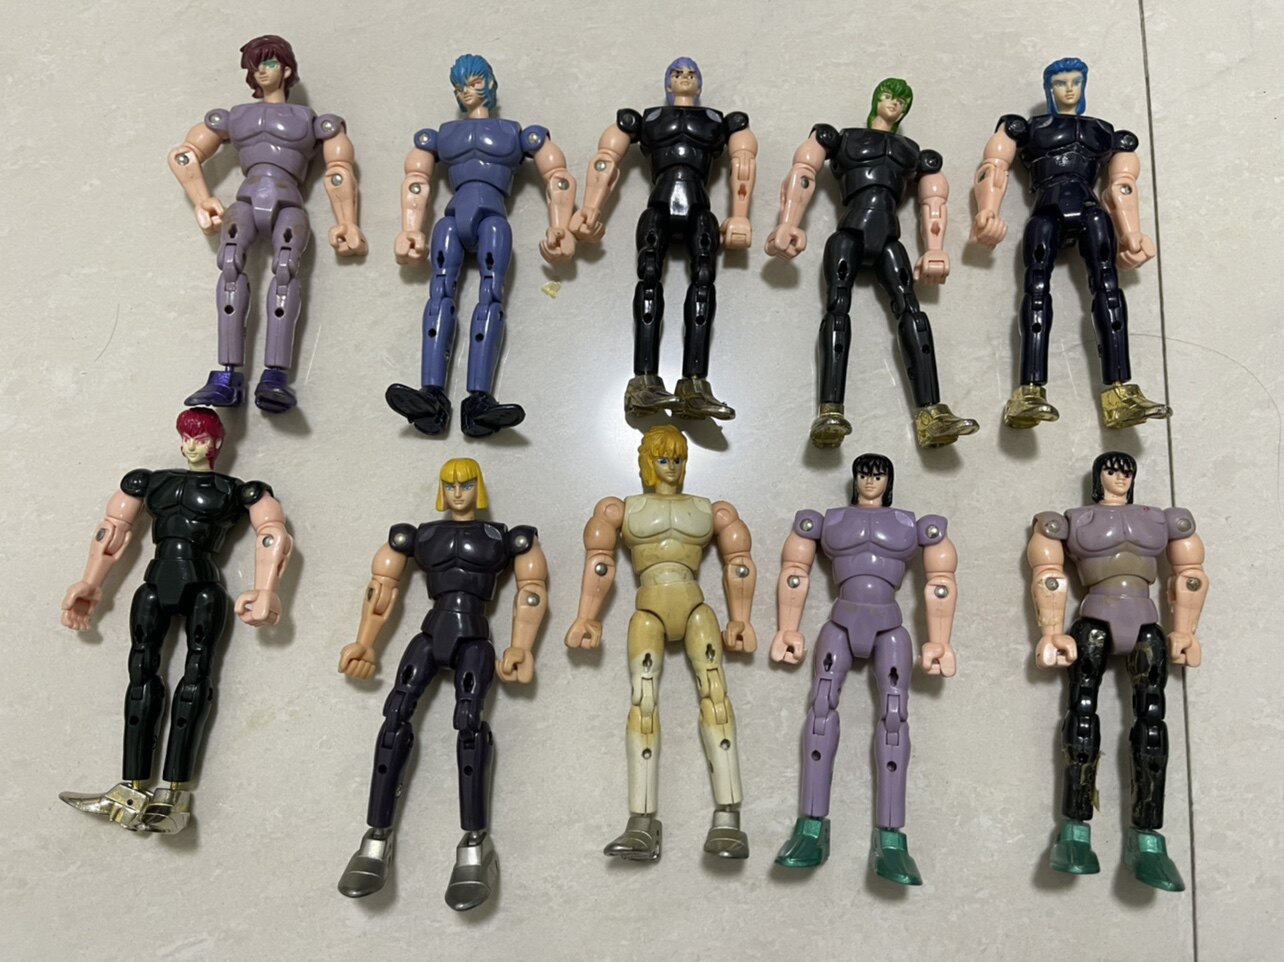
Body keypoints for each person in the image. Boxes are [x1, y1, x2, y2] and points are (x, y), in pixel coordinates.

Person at [59, 408, 293, 834]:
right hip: (154, 582)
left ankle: (174, 796)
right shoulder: (151, 482)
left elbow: (271, 533)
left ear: (216, 443)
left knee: (196, 677)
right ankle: (130, 789)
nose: (191, 446)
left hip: (203, 586)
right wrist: (90, 582)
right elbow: (113, 529)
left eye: (200, 439)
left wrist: (266, 590)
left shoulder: (237, 491)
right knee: (141, 674)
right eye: (186, 437)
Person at [336, 458, 548, 911]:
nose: (457, 492)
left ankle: (475, 843)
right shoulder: (419, 536)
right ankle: (375, 837)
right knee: (395, 715)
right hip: (430, 635)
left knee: (469, 721)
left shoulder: (504, 538)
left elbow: (531, 589)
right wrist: (365, 642)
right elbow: (382, 587)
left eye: (465, 484)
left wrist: (521, 646)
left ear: (478, 487)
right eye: (450, 485)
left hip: (474, 636)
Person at [565, 425, 757, 860]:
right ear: (647, 462)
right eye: (663, 458)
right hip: (648, 607)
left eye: (679, 459)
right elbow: (600, 563)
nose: (672, 467)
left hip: (695, 606)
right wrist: (587, 616)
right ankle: (641, 821)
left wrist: (741, 619)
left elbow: (739, 563)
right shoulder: (621, 510)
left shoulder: (710, 511)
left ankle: (728, 817)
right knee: (643, 702)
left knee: (716, 698)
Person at [770, 454, 958, 884]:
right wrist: (787, 628)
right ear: (854, 478)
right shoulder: (829, 521)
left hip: (889, 626)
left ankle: (891, 839)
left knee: (894, 718)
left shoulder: (911, 525)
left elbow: (941, 579)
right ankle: (810, 828)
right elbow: (795, 570)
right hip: (840, 621)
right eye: (863, 474)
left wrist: (940, 639)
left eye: (878, 474)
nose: (870, 481)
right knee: (820, 710)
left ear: (889, 480)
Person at [1027, 451, 1206, 891]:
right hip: (1094, 618)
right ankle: (1074, 830)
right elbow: (1048, 571)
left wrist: (1185, 630)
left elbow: (1190, 572)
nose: (1119, 477)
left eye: (1126, 471)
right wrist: (1051, 631)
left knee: (1152, 727)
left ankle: (1148, 838)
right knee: (1081, 719)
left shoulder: (1160, 520)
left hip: (1146, 622)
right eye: (1112, 470)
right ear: (1098, 476)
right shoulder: (1074, 520)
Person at [766, 78, 978, 448]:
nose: (894, 104)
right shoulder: (843, 139)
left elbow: (934, 199)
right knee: (837, 309)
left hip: (889, 238)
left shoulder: (911, 152)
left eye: (902, 101)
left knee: (912, 312)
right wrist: (788, 223)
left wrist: (934, 248)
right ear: (876, 98)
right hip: (849, 231)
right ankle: (829, 412)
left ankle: (932, 413)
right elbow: (804, 170)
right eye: (888, 96)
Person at [168, 35, 367, 413]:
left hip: (289, 202)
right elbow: (185, 153)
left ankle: (275, 377)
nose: (261, 71)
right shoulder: (235, 117)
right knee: (229, 264)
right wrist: (202, 198)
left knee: (286, 270)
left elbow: (339, 169)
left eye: (269, 63)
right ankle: (227, 377)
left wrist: (348, 222)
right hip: (244, 200)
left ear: (287, 70)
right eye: (255, 65)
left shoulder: (312, 121)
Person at [972, 58, 1169, 430]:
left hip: (1091, 211)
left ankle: (1120, 390)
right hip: (1046, 210)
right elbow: (994, 165)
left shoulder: (1104, 133)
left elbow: (1122, 184)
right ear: (1049, 88)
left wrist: (1131, 232)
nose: (1069, 89)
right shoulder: (1029, 128)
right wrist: (988, 212)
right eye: (1061, 83)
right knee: (1036, 293)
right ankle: (1029, 391)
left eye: (1076, 81)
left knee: (1109, 291)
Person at [384, 54, 576, 438]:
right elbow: (416, 178)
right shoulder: (441, 136)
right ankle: (431, 396)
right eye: (459, 86)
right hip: (451, 219)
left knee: (490, 296)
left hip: (493, 219)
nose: (466, 91)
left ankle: (480, 401)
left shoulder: (515, 133)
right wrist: (410, 229)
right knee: (439, 295)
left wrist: (561, 226)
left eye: (473, 82)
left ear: (489, 83)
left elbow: (557, 175)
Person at [570, 58, 758, 420]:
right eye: (677, 73)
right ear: (667, 82)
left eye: (691, 73)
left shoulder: (720, 122)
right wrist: (591, 208)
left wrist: (740, 215)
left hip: (700, 207)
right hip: (657, 205)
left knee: (703, 284)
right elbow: (607, 159)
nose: (684, 77)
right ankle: (643, 381)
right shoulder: (647, 120)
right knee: (649, 280)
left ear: (700, 82)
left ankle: (695, 384)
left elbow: (743, 163)